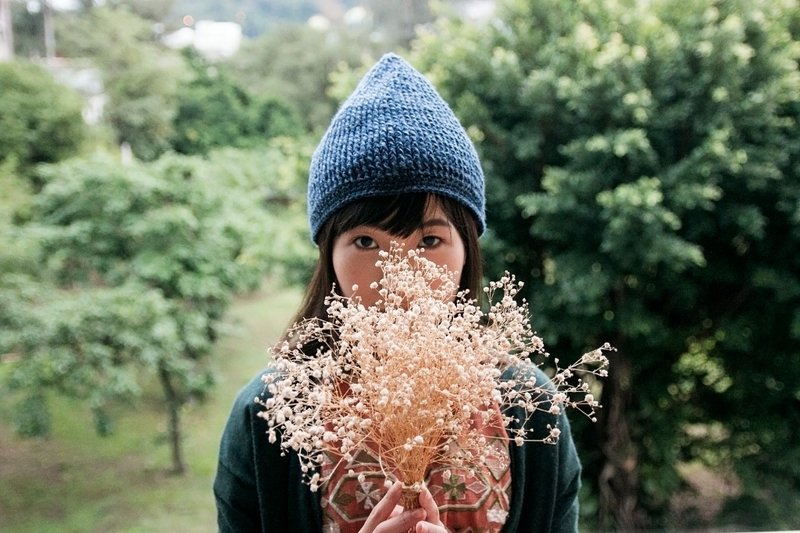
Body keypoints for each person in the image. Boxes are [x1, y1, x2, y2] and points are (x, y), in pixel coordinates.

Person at [214, 53, 582, 533]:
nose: (398, 275)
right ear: (329, 253)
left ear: (467, 249)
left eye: (429, 240)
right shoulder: (267, 417)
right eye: (366, 242)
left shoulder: (528, 408)